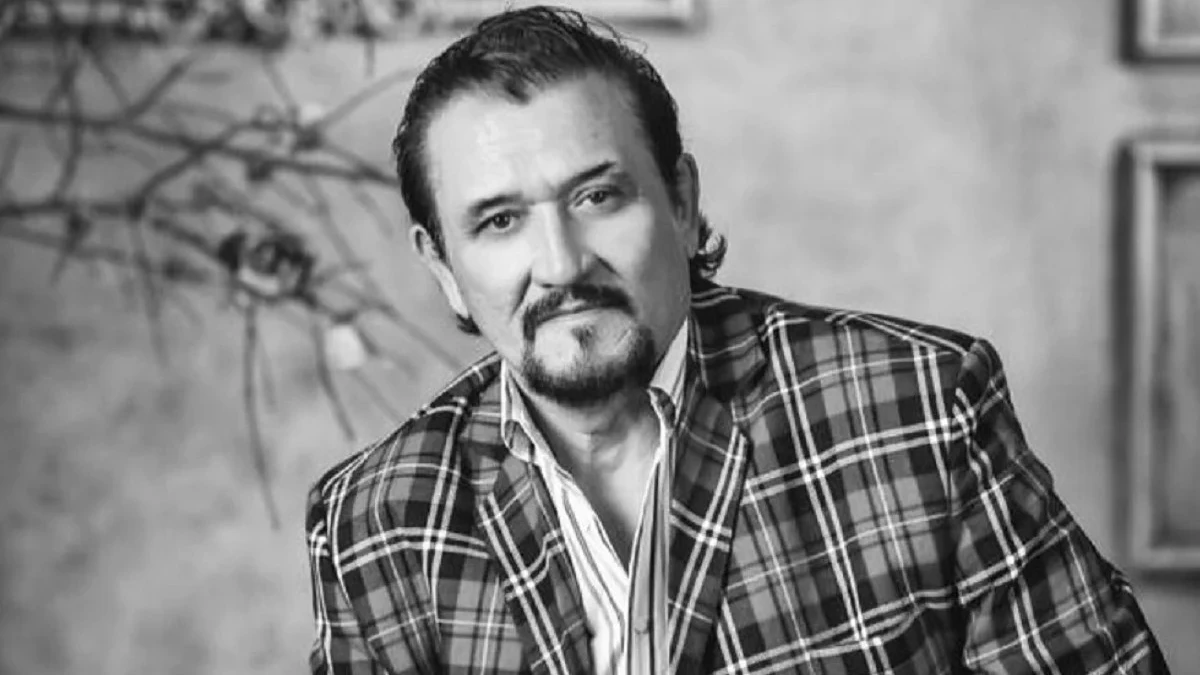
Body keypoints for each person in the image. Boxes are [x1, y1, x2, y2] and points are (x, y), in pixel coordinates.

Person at [305, 6, 1168, 674]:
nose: (561, 263)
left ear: (681, 203)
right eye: (499, 221)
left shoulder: (919, 410)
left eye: (598, 196)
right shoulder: (376, 522)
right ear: (444, 268)